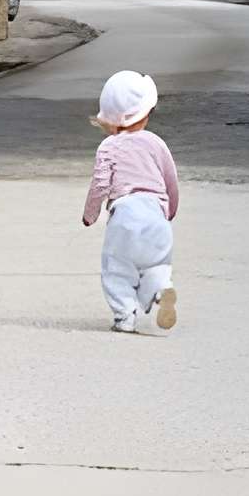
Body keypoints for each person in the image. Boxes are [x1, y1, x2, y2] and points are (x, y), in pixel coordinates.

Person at [82, 70, 179, 333]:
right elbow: (171, 180)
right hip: (156, 215)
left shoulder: (108, 147)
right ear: (146, 113)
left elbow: (100, 185)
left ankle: (125, 316)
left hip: (125, 214)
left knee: (117, 269)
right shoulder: (156, 144)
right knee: (155, 264)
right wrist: (169, 211)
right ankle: (160, 290)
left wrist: (90, 215)